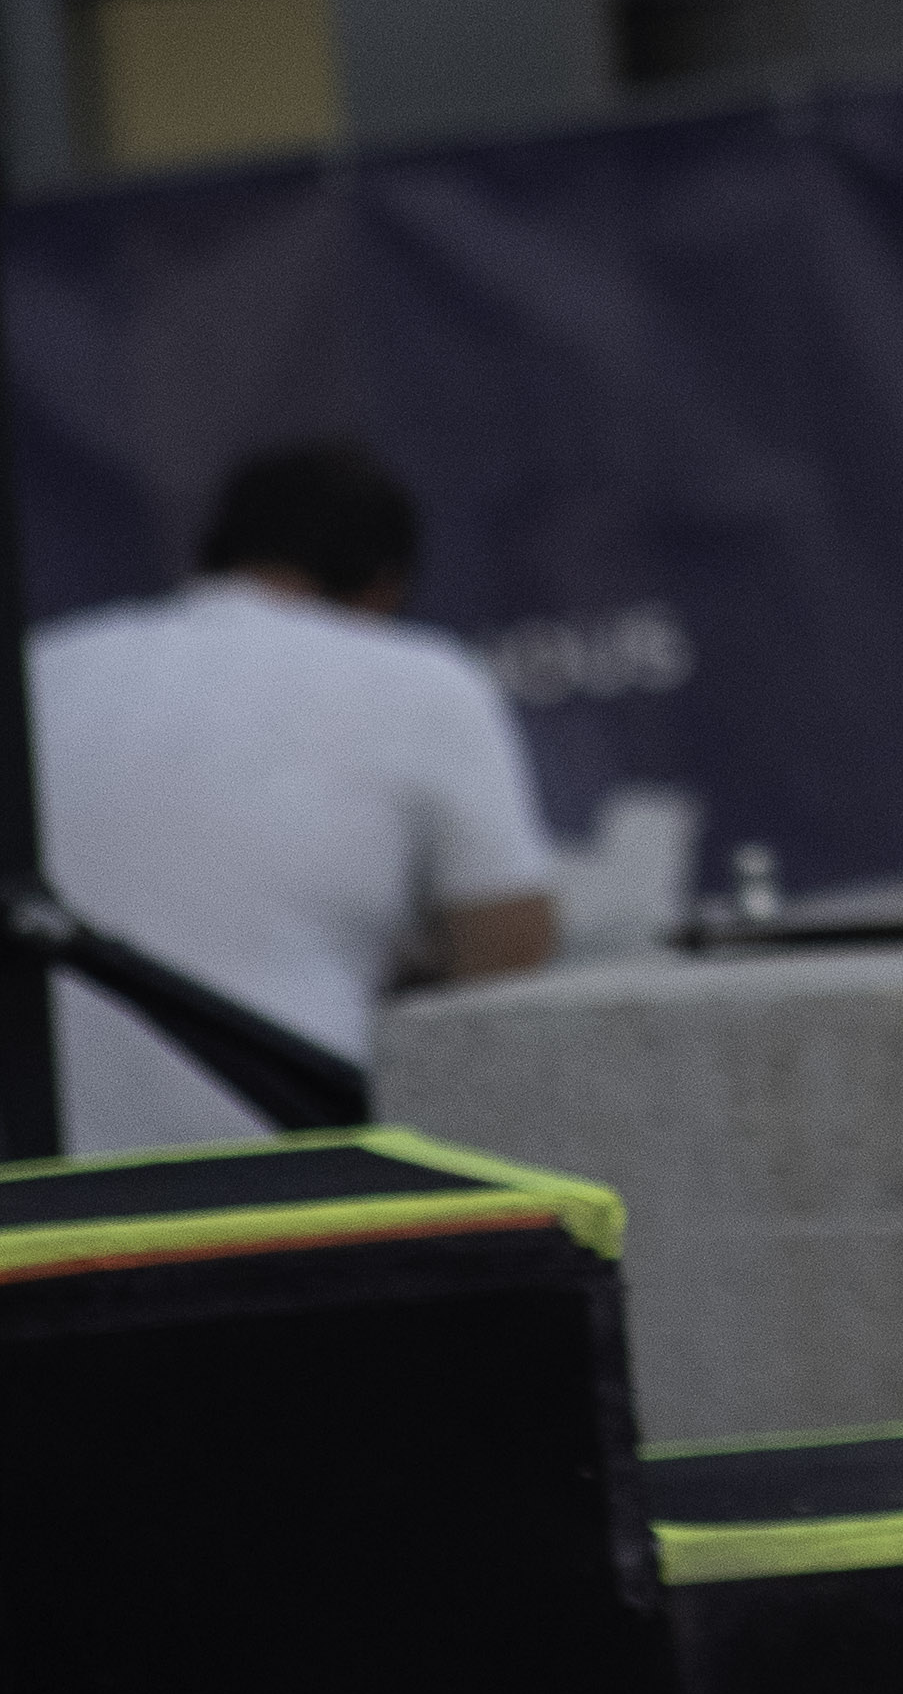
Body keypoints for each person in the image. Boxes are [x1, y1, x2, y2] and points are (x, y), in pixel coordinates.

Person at [32, 436, 559, 1155]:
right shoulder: (421, 679)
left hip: (39, 1187)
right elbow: (510, 948)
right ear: (385, 584)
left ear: (210, 557)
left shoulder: (46, 667)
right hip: (289, 1184)